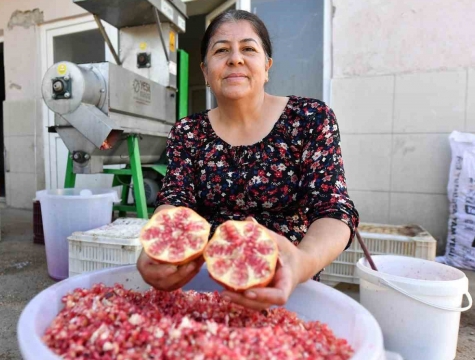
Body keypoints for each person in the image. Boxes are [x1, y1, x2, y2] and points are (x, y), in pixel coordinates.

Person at [136, 10, 359, 311]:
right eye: (221, 50)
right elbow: (175, 200)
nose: (235, 59)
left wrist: (303, 262)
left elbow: (334, 208)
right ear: (205, 70)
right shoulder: (188, 132)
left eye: (249, 48)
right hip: (205, 287)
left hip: (288, 286)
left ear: (267, 67)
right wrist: (159, 244)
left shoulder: (310, 119)